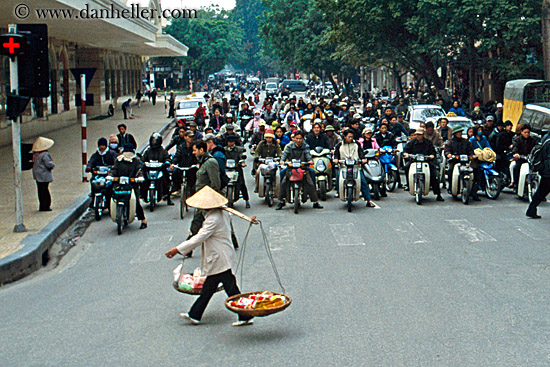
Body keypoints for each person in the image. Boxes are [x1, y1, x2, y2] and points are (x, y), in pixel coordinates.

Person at [164, 186, 254, 326]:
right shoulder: (222, 212)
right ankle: (195, 314)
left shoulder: (213, 218)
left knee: (229, 289)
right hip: (221, 256)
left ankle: (244, 315)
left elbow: (199, 237)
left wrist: (178, 249)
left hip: (219, 257)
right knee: (210, 288)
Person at [186, 140, 222, 258]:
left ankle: (187, 247)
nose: (193, 152)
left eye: (195, 150)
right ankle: (188, 248)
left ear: (202, 150)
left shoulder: (210, 162)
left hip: (208, 200)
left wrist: (211, 200)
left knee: (204, 222)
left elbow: (215, 183)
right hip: (202, 199)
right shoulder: (202, 162)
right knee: (196, 223)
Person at [276, 131, 323, 210]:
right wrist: (282, 161)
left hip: (303, 168)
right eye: (297, 138)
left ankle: (315, 201)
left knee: (311, 180)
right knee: (283, 177)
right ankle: (281, 200)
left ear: (303, 139)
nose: (298, 140)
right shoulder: (289, 147)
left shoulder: (306, 146)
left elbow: (308, 155)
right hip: (291, 168)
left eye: (300, 138)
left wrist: (309, 161)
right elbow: (284, 155)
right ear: (294, 139)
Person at [333, 130, 376, 207]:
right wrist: (336, 159)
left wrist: (363, 159)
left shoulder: (357, 144)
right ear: (345, 137)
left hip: (356, 167)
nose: (351, 138)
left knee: (363, 182)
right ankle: (338, 191)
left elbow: (361, 153)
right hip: (344, 167)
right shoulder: (339, 145)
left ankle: (368, 200)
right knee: (338, 177)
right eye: (349, 136)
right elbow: (336, 154)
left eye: (352, 137)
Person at [110, 143, 147, 229]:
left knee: (136, 202)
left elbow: (139, 171)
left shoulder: (136, 161)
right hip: (119, 185)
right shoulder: (118, 161)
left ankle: (143, 220)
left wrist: (139, 177)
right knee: (113, 196)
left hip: (132, 185)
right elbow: (114, 170)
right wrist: (111, 176)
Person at [403, 128, 444, 201]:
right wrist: (406, 154)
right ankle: (408, 185)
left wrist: (432, 156)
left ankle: (438, 194)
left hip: (426, 162)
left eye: (419, 135)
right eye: (417, 134)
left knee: (433, 174)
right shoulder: (412, 142)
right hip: (414, 161)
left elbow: (433, 152)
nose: (418, 136)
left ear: (423, 135)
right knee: (406, 167)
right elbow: (406, 150)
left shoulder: (428, 143)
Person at [444, 126, 478, 200]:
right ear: (455, 133)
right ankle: (450, 187)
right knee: (450, 170)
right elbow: (446, 150)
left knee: (474, 172)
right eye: (458, 132)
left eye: (460, 132)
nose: (459, 134)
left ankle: (473, 192)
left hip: (465, 161)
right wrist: (448, 154)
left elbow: (470, 150)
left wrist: (472, 155)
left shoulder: (466, 141)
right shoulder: (450, 142)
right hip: (454, 161)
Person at [141, 133, 174, 205]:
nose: (154, 143)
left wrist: (167, 162)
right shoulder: (148, 151)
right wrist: (142, 162)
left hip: (160, 170)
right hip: (149, 170)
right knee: (143, 180)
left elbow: (167, 158)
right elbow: (143, 158)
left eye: (155, 141)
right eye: (152, 141)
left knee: (166, 180)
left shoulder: (163, 151)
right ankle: (143, 194)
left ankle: (167, 196)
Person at [526, 131, 550, 218]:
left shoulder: (546, 137)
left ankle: (531, 209)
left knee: (541, 191)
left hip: (545, 171)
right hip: (548, 172)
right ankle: (531, 209)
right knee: (541, 191)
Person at [224, 135, 250, 208]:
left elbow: (241, 155)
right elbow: (223, 157)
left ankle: (246, 200)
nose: (230, 143)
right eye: (229, 142)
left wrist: (242, 162)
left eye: (232, 142)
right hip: (227, 168)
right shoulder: (224, 150)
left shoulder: (238, 149)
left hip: (237, 168)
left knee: (241, 183)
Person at [510, 124, 537, 191]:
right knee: (517, 168)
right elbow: (515, 147)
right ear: (521, 132)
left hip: (529, 159)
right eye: (525, 132)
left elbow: (536, 147)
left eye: (528, 132)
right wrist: (516, 153)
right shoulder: (517, 139)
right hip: (520, 159)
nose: (527, 134)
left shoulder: (532, 140)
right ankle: (516, 185)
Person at [170, 130, 197, 195]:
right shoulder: (181, 147)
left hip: (191, 167)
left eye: (192, 137)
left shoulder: (195, 146)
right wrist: (173, 163)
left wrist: (197, 163)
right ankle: (177, 188)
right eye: (189, 137)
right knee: (175, 173)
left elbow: (197, 156)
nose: (191, 139)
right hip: (182, 167)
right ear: (185, 137)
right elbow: (177, 156)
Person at [32, 137, 55, 212]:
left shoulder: (35, 155)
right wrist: (52, 165)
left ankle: (42, 206)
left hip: (37, 175)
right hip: (44, 175)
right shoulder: (45, 154)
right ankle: (46, 206)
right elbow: (48, 164)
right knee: (45, 190)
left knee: (40, 190)